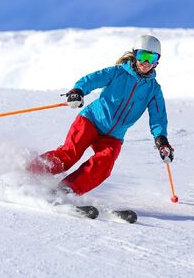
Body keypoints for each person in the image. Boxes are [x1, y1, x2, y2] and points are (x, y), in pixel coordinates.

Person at [26, 35, 174, 195]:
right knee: (69, 155)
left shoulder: (153, 89)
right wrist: (78, 91)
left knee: (104, 164)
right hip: (91, 120)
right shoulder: (117, 72)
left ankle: (67, 190)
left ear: (157, 61)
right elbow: (92, 80)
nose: (146, 63)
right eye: (142, 56)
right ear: (134, 54)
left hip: (114, 136)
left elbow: (158, 117)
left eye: (151, 58)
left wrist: (161, 139)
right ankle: (29, 171)